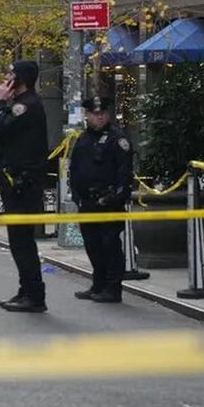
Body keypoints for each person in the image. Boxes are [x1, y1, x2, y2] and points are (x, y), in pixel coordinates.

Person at [0, 60, 50, 313]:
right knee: (19, 243)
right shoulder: (20, 104)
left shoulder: (26, 106)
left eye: (12, 74)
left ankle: (34, 295)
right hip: (17, 183)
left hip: (24, 185)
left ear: (21, 79)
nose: (7, 77)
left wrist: (0, 100)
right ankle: (27, 290)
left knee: (22, 242)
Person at [69, 96, 134, 304]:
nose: (99, 117)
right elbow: (75, 169)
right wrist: (77, 196)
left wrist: (116, 196)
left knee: (109, 245)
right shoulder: (83, 139)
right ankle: (98, 284)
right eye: (95, 114)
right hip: (87, 202)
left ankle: (113, 288)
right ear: (87, 116)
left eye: (103, 113)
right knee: (92, 245)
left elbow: (124, 172)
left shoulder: (118, 139)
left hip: (108, 203)